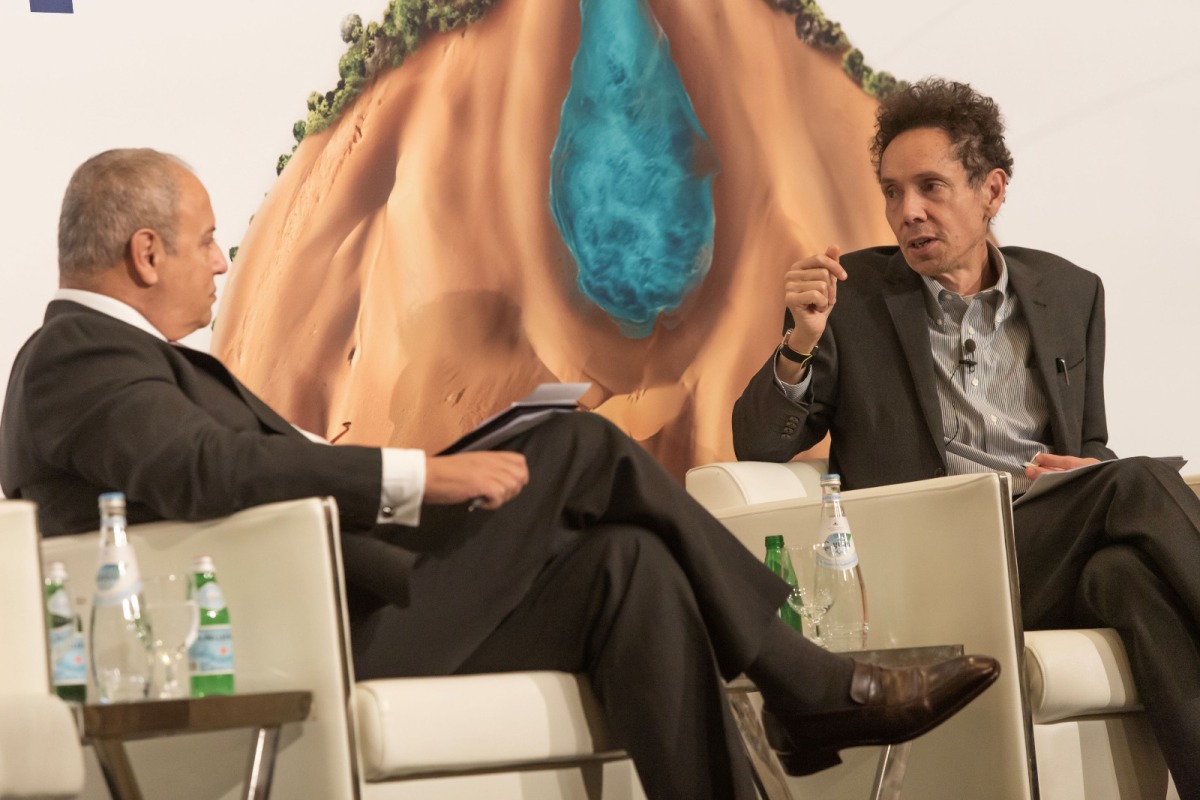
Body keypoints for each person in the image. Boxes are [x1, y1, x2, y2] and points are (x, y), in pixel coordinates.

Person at [0, 148, 997, 798]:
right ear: (144, 251)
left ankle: (784, 717)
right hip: (288, 651)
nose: (223, 263)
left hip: (352, 608)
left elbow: (228, 465)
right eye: (211, 240)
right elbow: (205, 467)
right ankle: (803, 678)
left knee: (625, 568)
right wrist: (418, 477)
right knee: (579, 447)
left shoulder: (130, 360)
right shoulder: (76, 355)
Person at [733, 77, 1200, 796]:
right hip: (935, 564)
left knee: (1126, 577)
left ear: (992, 190)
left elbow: (1096, 446)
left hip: (1049, 547)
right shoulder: (850, 295)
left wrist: (1085, 469)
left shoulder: (1071, 291)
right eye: (892, 192)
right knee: (1136, 481)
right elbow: (758, 445)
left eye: (930, 187)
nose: (907, 212)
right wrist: (798, 342)